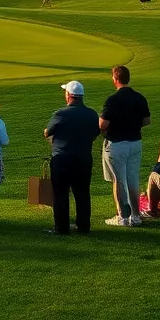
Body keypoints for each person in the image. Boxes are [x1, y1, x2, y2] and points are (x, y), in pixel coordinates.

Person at [44, 81, 101, 235]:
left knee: (61, 193)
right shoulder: (92, 114)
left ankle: (61, 228)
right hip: (83, 159)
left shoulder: (61, 114)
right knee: (82, 193)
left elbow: (47, 132)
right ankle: (83, 227)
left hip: (62, 159)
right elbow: (95, 133)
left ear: (69, 95)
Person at [99, 65, 150, 227]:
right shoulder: (139, 97)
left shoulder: (112, 100)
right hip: (135, 143)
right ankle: (135, 216)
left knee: (118, 181)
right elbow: (146, 121)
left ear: (115, 79)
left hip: (116, 145)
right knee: (132, 180)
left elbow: (103, 124)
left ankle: (122, 217)